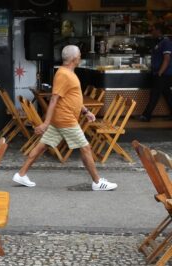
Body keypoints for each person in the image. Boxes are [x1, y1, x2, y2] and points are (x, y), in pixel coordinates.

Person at [13, 45, 117, 191]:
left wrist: (86, 111)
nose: (80, 57)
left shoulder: (68, 73)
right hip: (66, 119)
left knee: (42, 145)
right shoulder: (63, 74)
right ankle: (97, 182)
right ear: (74, 58)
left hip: (62, 119)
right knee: (86, 147)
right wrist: (45, 123)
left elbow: (72, 97)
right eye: (79, 55)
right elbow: (54, 100)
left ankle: (21, 174)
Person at [139, 23, 172, 122]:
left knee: (154, 94)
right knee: (167, 95)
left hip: (164, 74)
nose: (151, 32)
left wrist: (160, 72)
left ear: (158, 30)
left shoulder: (166, 42)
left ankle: (146, 115)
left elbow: (167, 59)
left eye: (152, 30)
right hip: (160, 73)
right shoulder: (159, 42)